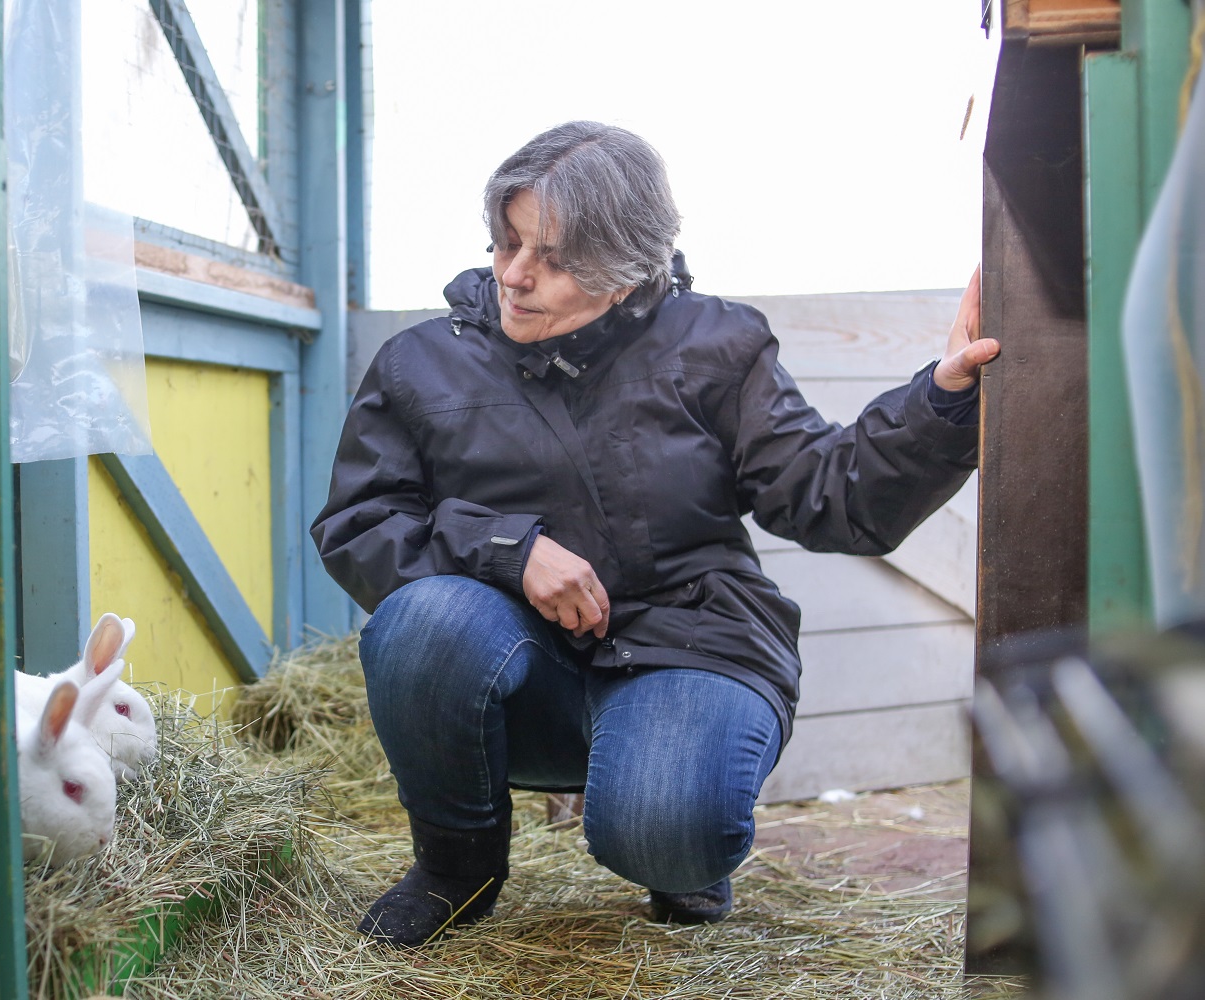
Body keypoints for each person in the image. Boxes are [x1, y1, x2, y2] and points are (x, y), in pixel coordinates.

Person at [310, 120, 997, 947]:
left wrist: (944, 400)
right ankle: (455, 868)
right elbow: (361, 525)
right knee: (423, 623)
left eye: (554, 258)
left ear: (626, 268)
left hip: (689, 643)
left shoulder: (716, 345)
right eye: (506, 242)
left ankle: (681, 854)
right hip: (517, 669)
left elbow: (832, 495)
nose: (515, 277)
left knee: (662, 830)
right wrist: (511, 552)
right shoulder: (420, 363)